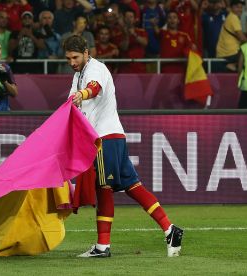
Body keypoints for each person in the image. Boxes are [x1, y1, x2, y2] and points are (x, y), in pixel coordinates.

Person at [62, 35, 184, 258]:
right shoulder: (78, 75)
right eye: (69, 58)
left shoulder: (94, 69)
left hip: (103, 139)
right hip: (115, 136)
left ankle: (102, 246)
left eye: (75, 57)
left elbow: (94, 88)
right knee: (133, 186)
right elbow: (72, 104)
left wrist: (82, 94)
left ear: (86, 53)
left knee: (104, 189)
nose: (72, 62)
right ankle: (170, 229)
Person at [216, 0, 247, 72]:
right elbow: (242, 37)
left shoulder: (231, 16)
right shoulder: (233, 17)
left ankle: (233, 66)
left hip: (225, 52)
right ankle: (232, 66)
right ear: (231, 8)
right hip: (230, 52)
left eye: (241, 7)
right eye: (237, 7)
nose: (239, 9)